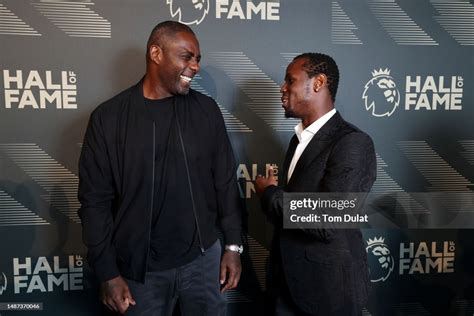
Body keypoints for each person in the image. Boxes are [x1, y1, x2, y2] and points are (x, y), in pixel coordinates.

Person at [78, 21, 244, 316]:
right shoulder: (109, 119)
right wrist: (107, 273)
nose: (195, 66)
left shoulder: (206, 111)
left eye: (198, 58)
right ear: (156, 53)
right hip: (140, 273)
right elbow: (94, 203)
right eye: (186, 56)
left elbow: (226, 182)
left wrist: (232, 246)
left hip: (203, 263)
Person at [255, 53, 376, 316]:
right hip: (286, 285)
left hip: (327, 293)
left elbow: (330, 218)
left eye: (290, 80)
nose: (282, 88)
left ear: (319, 82)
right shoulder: (297, 140)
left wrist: (270, 194)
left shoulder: (352, 143)